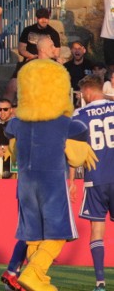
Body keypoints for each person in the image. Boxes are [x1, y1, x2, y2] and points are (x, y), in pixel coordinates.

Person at [73, 74, 114, 291]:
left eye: (82, 94)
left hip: (95, 179)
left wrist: (70, 181)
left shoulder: (79, 114)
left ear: (88, 92)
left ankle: (100, 283)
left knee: (97, 230)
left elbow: (71, 150)